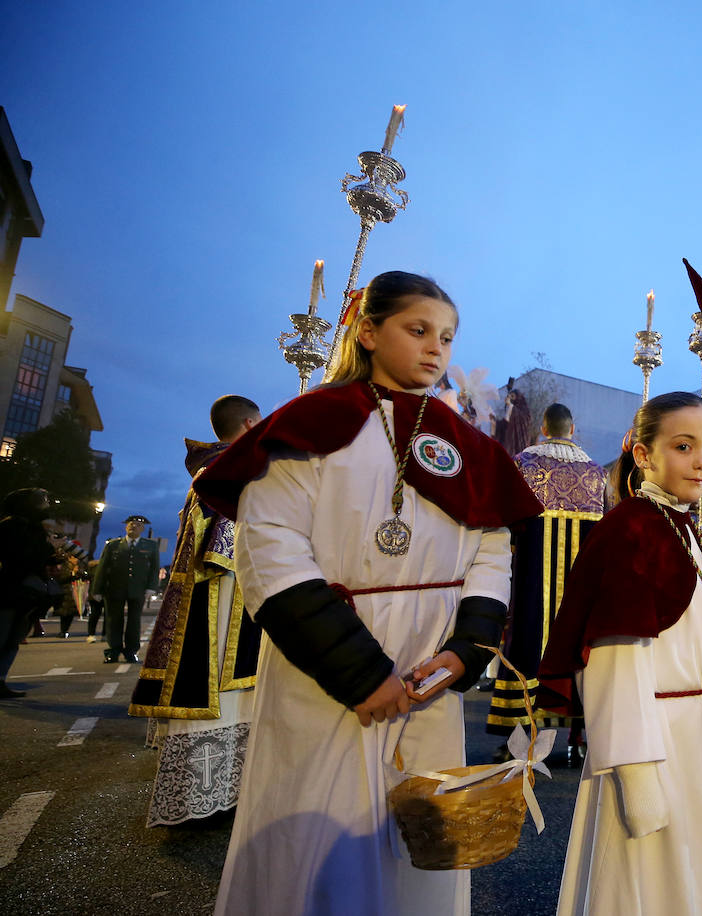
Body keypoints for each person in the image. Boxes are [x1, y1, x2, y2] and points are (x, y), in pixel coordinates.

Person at [193, 270, 542, 916]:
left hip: (431, 668)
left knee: (424, 849)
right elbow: (271, 549)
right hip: (328, 668)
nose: (436, 348)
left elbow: (493, 550)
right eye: (418, 329)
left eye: (447, 337)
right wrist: (358, 672)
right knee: (319, 842)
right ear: (368, 331)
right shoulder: (310, 424)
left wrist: (468, 648)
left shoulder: (470, 447)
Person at [539, 391, 702, 916]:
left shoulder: (682, 527)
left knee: (695, 880)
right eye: (684, 446)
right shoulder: (633, 532)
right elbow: (615, 662)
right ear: (642, 454)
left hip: (699, 738)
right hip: (657, 746)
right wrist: (635, 772)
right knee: (646, 886)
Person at [128, 394, 264, 827]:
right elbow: (229, 544)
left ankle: (222, 792)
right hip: (224, 595)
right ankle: (210, 795)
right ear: (249, 424)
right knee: (224, 689)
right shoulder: (231, 468)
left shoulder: (212, 468)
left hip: (216, 593)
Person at [487, 402, 606, 766]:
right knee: (575, 652)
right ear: (572, 430)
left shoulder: (522, 464)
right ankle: (578, 740)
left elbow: (504, 523)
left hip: (529, 583)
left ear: (543, 428)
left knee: (525, 648)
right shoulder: (596, 473)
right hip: (579, 590)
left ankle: (517, 739)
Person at [0, 488, 56, 698]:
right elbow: (22, 557)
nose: (47, 505)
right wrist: (49, 547)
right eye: (42, 501)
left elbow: (38, 559)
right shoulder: (10, 526)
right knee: (3, 635)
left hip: (27, 594)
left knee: (13, 639)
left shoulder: (36, 528)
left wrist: (52, 552)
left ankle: (0, 679)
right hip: (9, 590)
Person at [91, 514, 161, 663]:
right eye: (130, 524)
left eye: (137, 525)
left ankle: (131, 651)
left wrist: (151, 587)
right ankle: (113, 650)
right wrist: (97, 589)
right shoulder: (113, 545)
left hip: (138, 589)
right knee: (113, 620)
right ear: (126, 527)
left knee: (134, 621)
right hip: (114, 588)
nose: (133, 526)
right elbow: (102, 568)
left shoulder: (150, 546)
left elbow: (154, 568)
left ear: (142, 529)